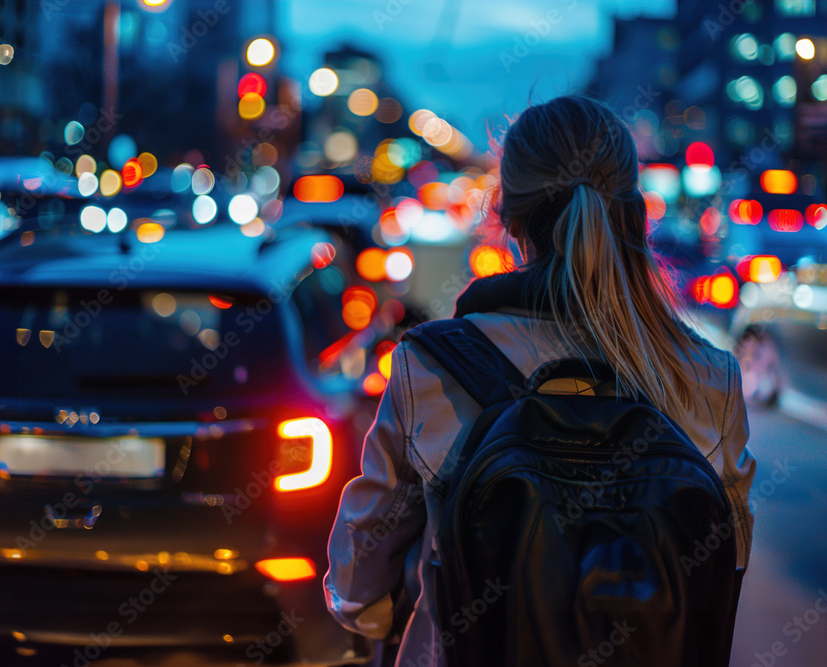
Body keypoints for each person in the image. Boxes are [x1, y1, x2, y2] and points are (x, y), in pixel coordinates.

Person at [323, 95, 756, 666]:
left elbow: (359, 590)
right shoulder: (711, 377)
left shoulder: (429, 368)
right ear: (635, 211)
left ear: (510, 216)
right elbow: (724, 574)